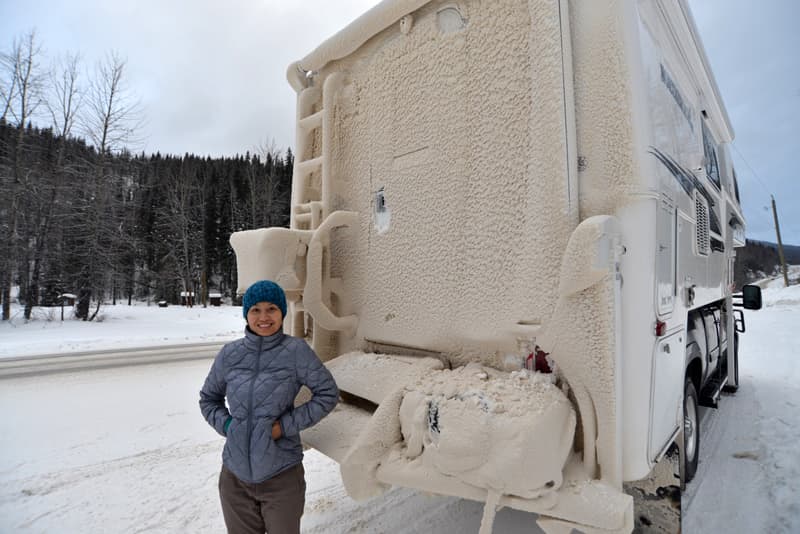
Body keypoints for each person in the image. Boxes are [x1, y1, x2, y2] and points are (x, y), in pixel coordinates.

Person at [200, 280, 339, 534]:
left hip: (281, 476)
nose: (264, 317)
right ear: (246, 314)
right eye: (255, 309)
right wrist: (230, 426)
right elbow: (209, 399)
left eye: (272, 308)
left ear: (282, 312)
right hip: (235, 478)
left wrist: (283, 427)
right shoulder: (230, 354)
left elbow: (327, 394)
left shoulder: (296, 350)